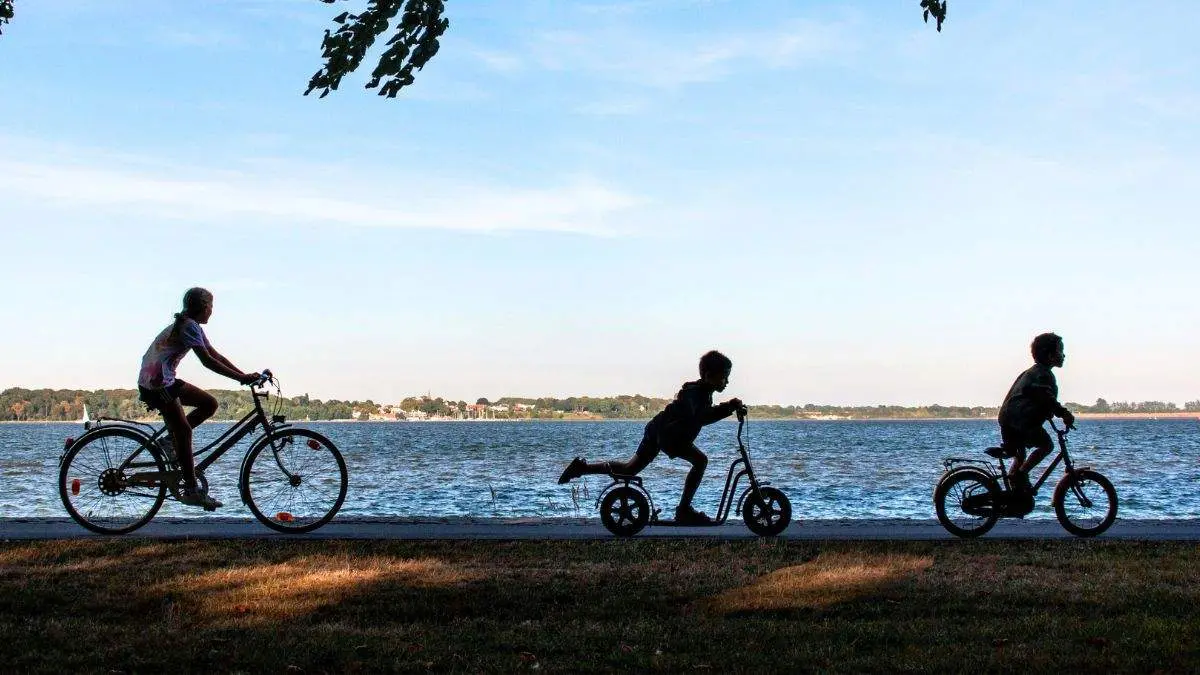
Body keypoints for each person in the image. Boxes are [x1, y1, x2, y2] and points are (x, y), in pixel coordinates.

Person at [557, 350, 743, 524]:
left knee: (629, 470)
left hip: (658, 430)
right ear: (709, 376)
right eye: (724, 377)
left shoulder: (701, 392)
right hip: (668, 435)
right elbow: (701, 417)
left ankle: (583, 468)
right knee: (700, 461)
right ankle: (684, 510)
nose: (727, 381)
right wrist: (728, 408)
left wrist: (728, 407)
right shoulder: (695, 394)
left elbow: (703, 414)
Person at [137, 287, 260, 510]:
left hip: (163, 379)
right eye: (211, 306)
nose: (212, 310)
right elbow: (207, 361)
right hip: (156, 383)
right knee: (184, 431)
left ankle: (169, 441)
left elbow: (214, 354)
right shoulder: (188, 325)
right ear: (204, 307)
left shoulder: (191, 325)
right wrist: (241, 378)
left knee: (209, 404)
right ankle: (192, 490)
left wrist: (243, 376)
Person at [997, 332, 1075, 510]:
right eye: (1060, 351)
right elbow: (1045, 397)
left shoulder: (1032, 372)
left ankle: (1015, 494)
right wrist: (1063, 413)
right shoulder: (1042, 374)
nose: (1063, 355)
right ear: (1050, 355)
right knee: (1047, 446)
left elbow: (1037, 399)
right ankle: (1020, 475)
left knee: (1020, 454)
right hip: (1020, 421)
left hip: (1009, 420)